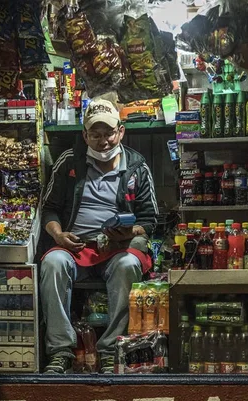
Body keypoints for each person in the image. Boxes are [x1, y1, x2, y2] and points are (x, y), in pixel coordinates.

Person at [40, 99, 158, 374]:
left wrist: (128, 232)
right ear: (85, 135)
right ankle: (60, 351)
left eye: (108, 134)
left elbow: (150, 221)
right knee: (53, 263)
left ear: (121, 131)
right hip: (75, 245)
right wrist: (58, 235)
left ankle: (111, 350)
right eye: (95, 135)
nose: (103, 141)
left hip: (117, 247)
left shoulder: (137, 166)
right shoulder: (69, 162)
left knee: (128, 265)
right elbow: (49, 210)